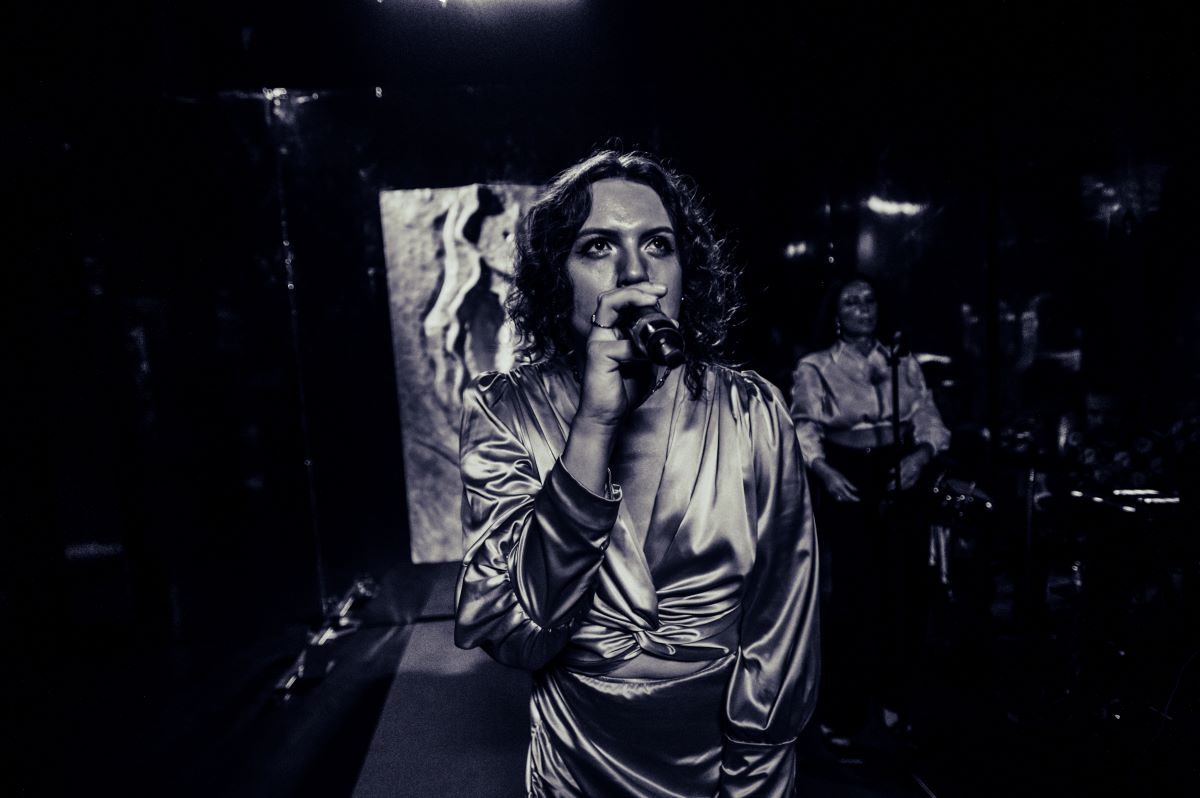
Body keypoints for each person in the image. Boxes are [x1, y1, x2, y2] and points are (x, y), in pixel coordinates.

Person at [454, 150, 820, 797]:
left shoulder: (752, 409)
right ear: (556, 275)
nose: (634, 272)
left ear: (685, 272)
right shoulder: (505, 409)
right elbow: (519, 632)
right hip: (577, 766)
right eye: (598, 246)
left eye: (658, 244)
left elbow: (781, 621)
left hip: (724, 767)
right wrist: (594, 425)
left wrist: (754, 776)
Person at [789, 274, 950, 751]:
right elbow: (804, 426)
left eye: (869, 300)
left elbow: (928, 417)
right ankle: (845, 711)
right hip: (848, 473)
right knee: (855, 594)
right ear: (836, 314)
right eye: (852, 302)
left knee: (905, 589)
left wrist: (921, 455)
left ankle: (897, 700)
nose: (863, 308)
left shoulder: (901, 361)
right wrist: (824, 471)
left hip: (899, 470)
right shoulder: (816, 367)